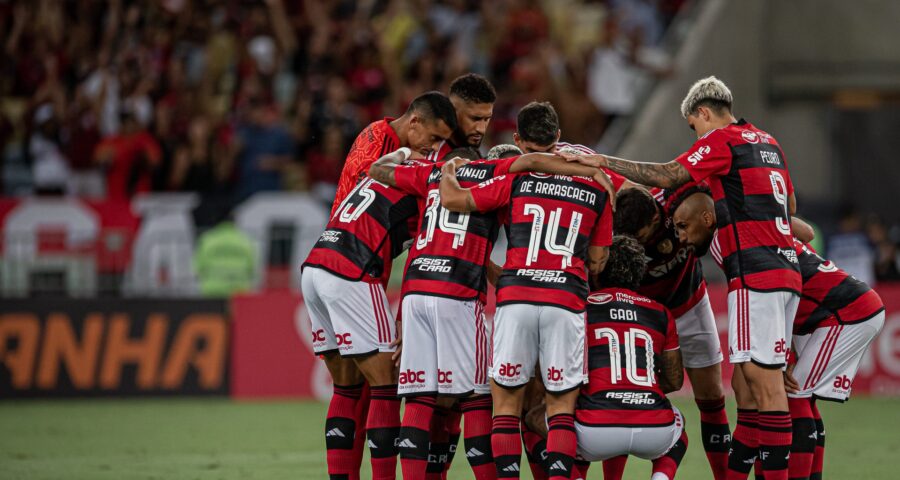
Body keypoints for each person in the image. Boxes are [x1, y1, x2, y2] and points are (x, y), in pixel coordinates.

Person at [564, 76, 802, 479]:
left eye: (695, 129)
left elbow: (673, 172)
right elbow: (790, 206)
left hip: (704, 292)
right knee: (751, 386)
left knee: (726, 392)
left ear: (703, 113)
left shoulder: (720, 144)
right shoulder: (769, 143)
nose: (697, 140)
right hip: (660, 303)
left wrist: (604, 159)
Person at [368, 142, 617, 479]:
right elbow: (530, 161)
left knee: (418, 398)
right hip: (458, 292)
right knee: (482, 397)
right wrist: (590, 170)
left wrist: (405, 153)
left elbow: (377, 170)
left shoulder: (435, 173)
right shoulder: (498, 175)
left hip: (416, 288)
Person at [670, 187, 884, 480]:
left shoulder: (729, 238)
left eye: (683, 226)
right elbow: (806, 232)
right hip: (824, 311)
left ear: (707, 217)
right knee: (784, 399)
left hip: (844, 312)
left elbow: (755, 291)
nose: (680, 237)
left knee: (788, 399)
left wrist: (776, 353)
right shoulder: (755, 220)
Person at [301, 153, 438, 479]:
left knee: (346, 388)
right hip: (354, 271)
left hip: (315, 265)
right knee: (386, 385)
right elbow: (418, 259)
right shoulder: (426, 189)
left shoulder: (383, 170)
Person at [526, 235, 688, 480]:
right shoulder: (661, 313)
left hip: (593, 432)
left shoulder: (579, 308)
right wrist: (633, 391)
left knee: (534, 418)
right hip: (654, 430)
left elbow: (554, 374)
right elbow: (674, 381)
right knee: (679, 424)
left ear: (597, 270)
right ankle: (661, 477)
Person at [610, 186, 729, 479]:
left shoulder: (676, 202)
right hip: (638, 314)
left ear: (656, 218)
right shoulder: (615, 219)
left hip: (689, 303)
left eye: (640, 238)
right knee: (619, 399)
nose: (635, 246)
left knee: (712, 396)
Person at [332, 91, 458, 216]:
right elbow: (362, 197)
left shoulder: (400, 144)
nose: (436, 147)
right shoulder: (378, 141)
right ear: (414, 121)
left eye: (441, 141)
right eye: (434, 137)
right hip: (349, 231)